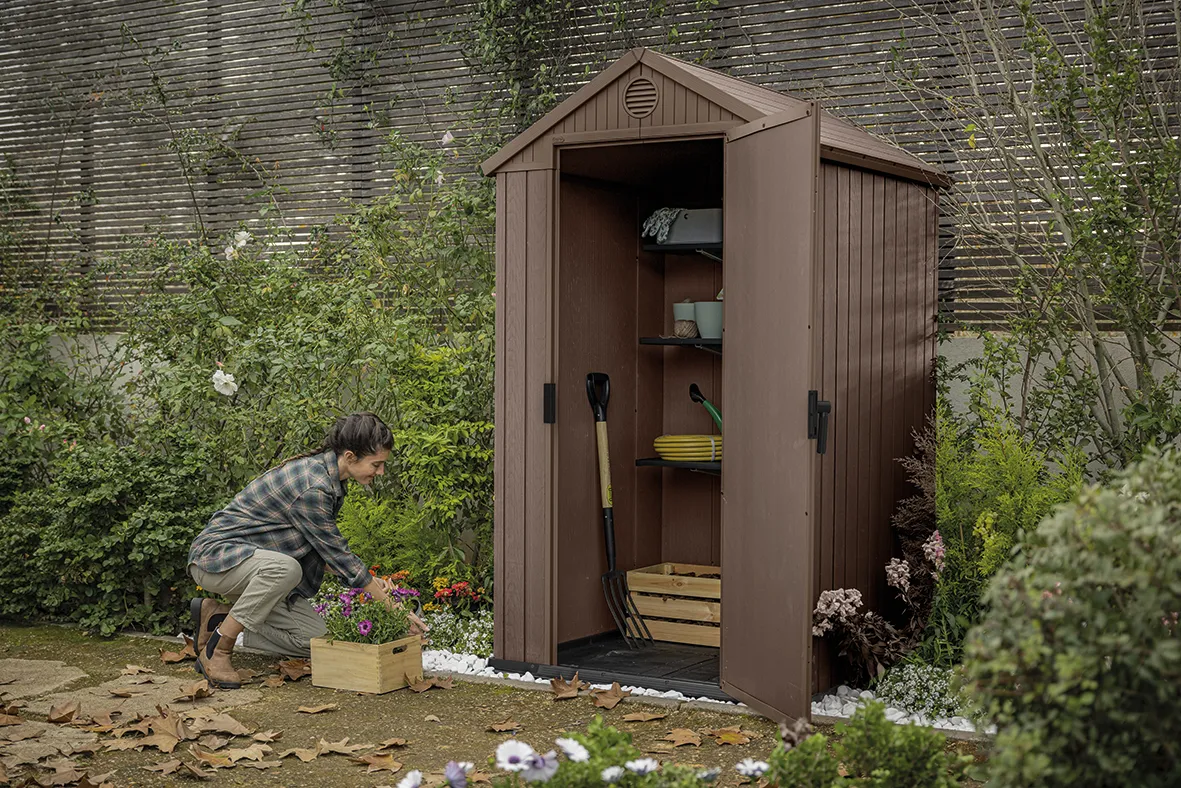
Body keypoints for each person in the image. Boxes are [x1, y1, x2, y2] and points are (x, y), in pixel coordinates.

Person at [186, 412, 425, 688]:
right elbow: (337, 553)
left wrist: (372, 583)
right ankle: (218, 649)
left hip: (256, 571)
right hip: (217, 559)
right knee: (286, 569)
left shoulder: (330, 480)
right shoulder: (313, 485)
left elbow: (324, 552)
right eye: (376, 464)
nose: (380, 472)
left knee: (315, 641)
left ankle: (220, 616)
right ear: (350, 457)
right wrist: (393, 609)